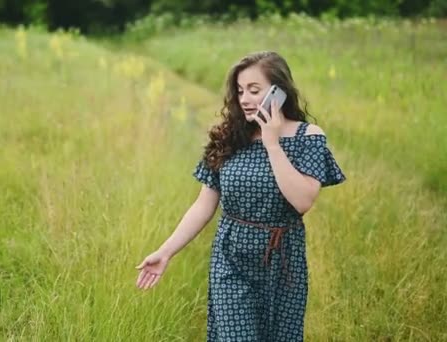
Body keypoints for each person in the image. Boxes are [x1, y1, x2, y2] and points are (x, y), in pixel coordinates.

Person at [135, 51, 346, 341]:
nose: (244, 98)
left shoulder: (307, 137)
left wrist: (272, 143)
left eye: (254, 90)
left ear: (278, 92)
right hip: (231, 257)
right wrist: (166, 251)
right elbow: (203, 204)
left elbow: (303, 201)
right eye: (240, 91)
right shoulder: (230, 137)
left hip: (283, 262)